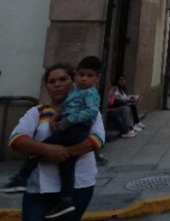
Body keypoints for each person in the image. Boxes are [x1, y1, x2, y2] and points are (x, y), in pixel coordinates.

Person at [4, 62, 105, 220]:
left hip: (78, 186)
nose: (57, 84)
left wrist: (63, 153)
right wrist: (48, 150)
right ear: (47, 87)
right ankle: (20, 180)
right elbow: (16, 139)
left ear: (73, 81)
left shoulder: (88, 111)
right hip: (38, 189)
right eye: (52, 81)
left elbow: (96, 140)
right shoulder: (37, 112)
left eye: (63, 79)